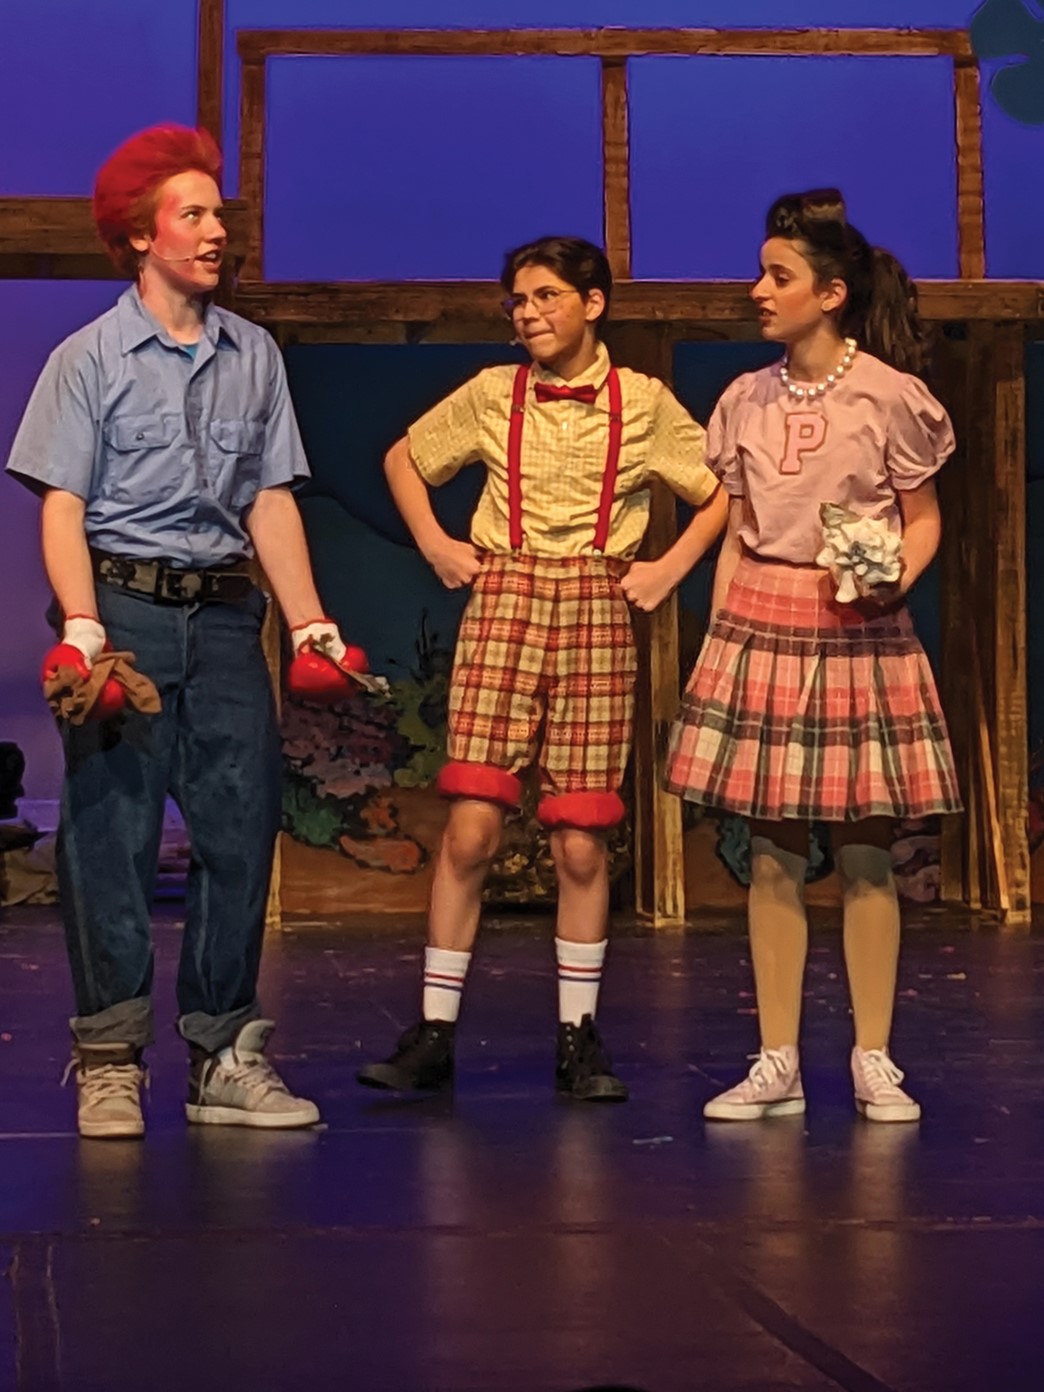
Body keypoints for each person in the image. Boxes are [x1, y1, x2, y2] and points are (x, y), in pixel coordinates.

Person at [6, 124, 364, 1139]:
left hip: (224, 614)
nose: (216, 232)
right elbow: (63, 502)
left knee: (240, 827)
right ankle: (111, 1055)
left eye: (221, 213)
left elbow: (271, 501)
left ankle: (223, 1055)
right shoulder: (90, 360)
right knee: (111, 834)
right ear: (139, 236)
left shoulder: (254, 355)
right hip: (123, 608)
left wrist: (311, 624)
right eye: (193, 214)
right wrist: (82, 628)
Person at [357, 236, 726, 1102]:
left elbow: (720, 492)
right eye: (518, 300)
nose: (528, 313)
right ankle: (436, 1031)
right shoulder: (495, 394)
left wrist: (668, 569)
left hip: (598, 600)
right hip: (507, 596)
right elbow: (404, 460)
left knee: (581, 839)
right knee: (472, 828)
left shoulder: (642, 403)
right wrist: (439, 546)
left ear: (593, 304)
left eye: (547, 296)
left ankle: (578, 1036)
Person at [666, 190, 960, 1124]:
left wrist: (890, 581)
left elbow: (922, 519)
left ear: (830, 294)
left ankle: (873, 1055)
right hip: (764, 619)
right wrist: (717, 647)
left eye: (778, 276)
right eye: (761, 272)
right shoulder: (745, 399)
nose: (760, 290)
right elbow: (739, 531)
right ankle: (777, 1058)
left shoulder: (888, 396)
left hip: (854, 630)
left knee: (868, 848)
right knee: (772, 856)